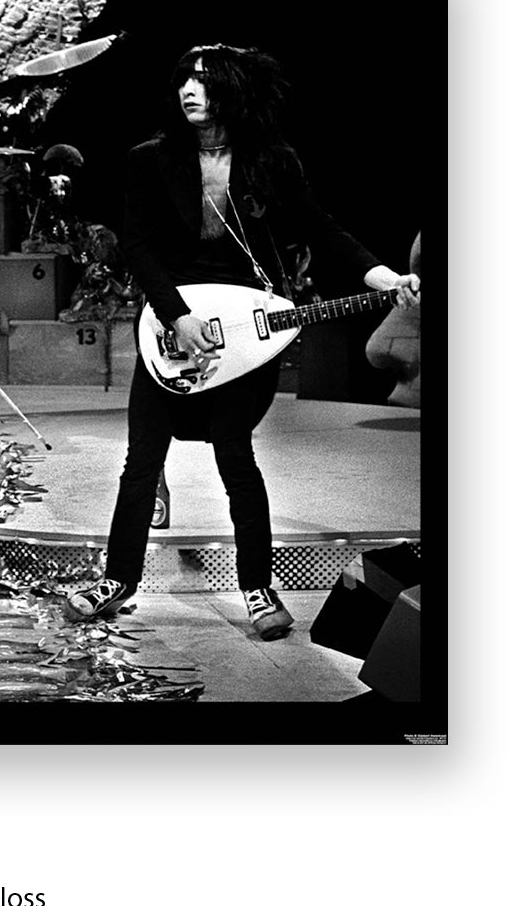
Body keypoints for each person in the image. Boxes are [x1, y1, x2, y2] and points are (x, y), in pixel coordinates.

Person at [66, 44, 420, 638]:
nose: (189, 89)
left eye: (204, 80)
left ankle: (257, 587)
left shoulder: (270, 161)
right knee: (142, 459)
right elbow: (138, 246)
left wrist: (381, 275)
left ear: (234, 90)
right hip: (170, 320)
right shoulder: (150, 159)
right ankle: (118, 579)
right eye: (184, 78)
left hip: (245, 326)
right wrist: (177, 316)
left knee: (235, 454)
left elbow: (319, 226)